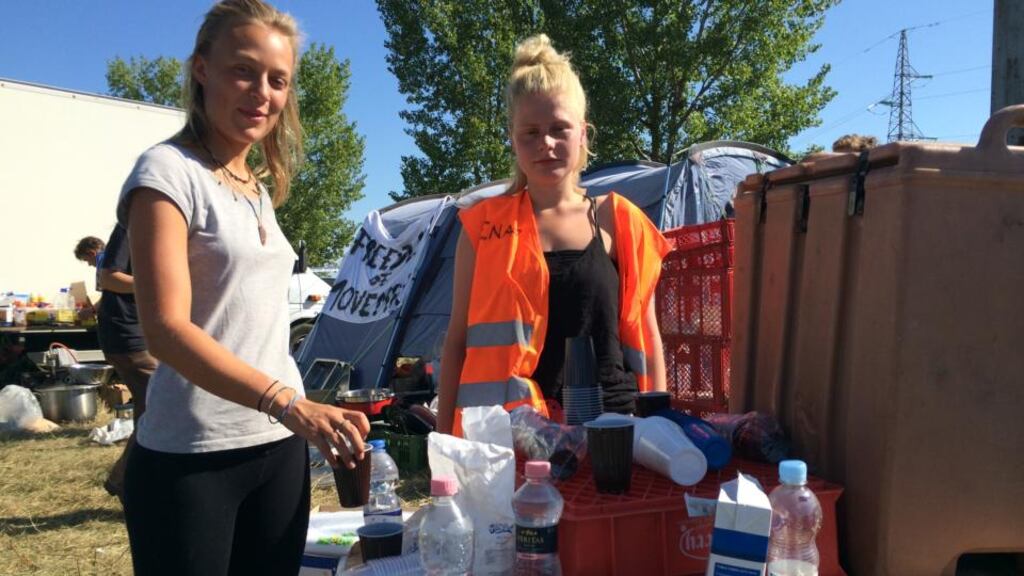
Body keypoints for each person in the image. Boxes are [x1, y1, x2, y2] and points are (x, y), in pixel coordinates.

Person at [116, 1, 369, 574]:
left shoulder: (254, 186)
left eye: (278, 80)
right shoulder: (167, 173)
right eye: (243, 71)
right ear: (202, 68)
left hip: (279, 449)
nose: (262, 93)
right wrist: (289, 404)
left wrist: (303, 409)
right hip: (193, 455)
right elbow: (166, 330)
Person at [436, 35, 671, 437]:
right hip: (514, 435)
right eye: (530, 132)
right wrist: (443, 442)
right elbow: (456, 342)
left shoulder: (620, 221)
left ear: (583, 134)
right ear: (512, 139)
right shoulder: (481, 227)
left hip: (614, 430)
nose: (545, 143)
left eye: (559, 128)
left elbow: (648, 337)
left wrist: (660, 429)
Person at [93, 223, 159, 499]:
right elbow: (108, 278)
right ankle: (125, 480)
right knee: (159, 407)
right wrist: (158, 283)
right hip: (128, 337)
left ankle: (127, 480)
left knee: (151, 408)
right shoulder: (130, 225)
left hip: (139, 333)